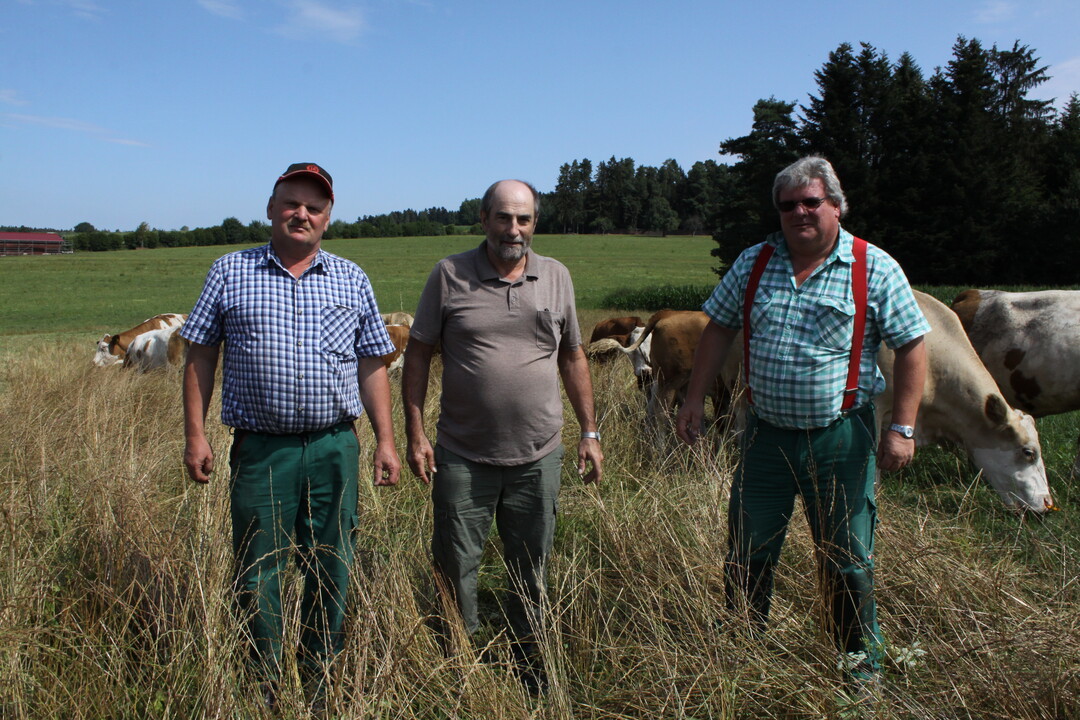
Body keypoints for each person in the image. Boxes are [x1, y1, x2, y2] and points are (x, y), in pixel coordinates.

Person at [675, 156, 929, 692]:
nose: (799, 213)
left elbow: (911, 346)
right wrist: (693, 399)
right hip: (765, 436)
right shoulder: (754, 262)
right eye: (788, 205)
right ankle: (743, 650)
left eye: (811, 202)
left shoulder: (873, 266)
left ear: (837, 206)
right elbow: (717, 329)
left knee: (845, 558)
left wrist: (902, 428)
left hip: (841, 438)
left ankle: (861, 669)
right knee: (748, 547)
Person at [181, 163, 401, 708]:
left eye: (314, 206)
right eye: (291, 202)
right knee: (259, 566)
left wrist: (386, 441)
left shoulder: (351, 278)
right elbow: (201, 353)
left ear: (328, 218)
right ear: (271, 207)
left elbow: (373, 363)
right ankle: (266, 686)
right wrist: (195, 434)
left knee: (332, 560)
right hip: (261, 448)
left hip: (334, 446)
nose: (302, 213)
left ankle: (322, 677)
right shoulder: (230, 271)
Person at [401, 179, 603, 693]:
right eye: (504, 217)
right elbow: (419, 354)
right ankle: (460, 664)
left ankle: (530, 660)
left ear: (535, 223)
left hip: (539, 455)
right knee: (455, 562)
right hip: (463, 454)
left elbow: (574, 355)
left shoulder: (556, 276)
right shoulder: (449, 276)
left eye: (525, 219)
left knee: (531, 563)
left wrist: (590, 431)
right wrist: (416, 433)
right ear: (484, 219)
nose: (514, 229)